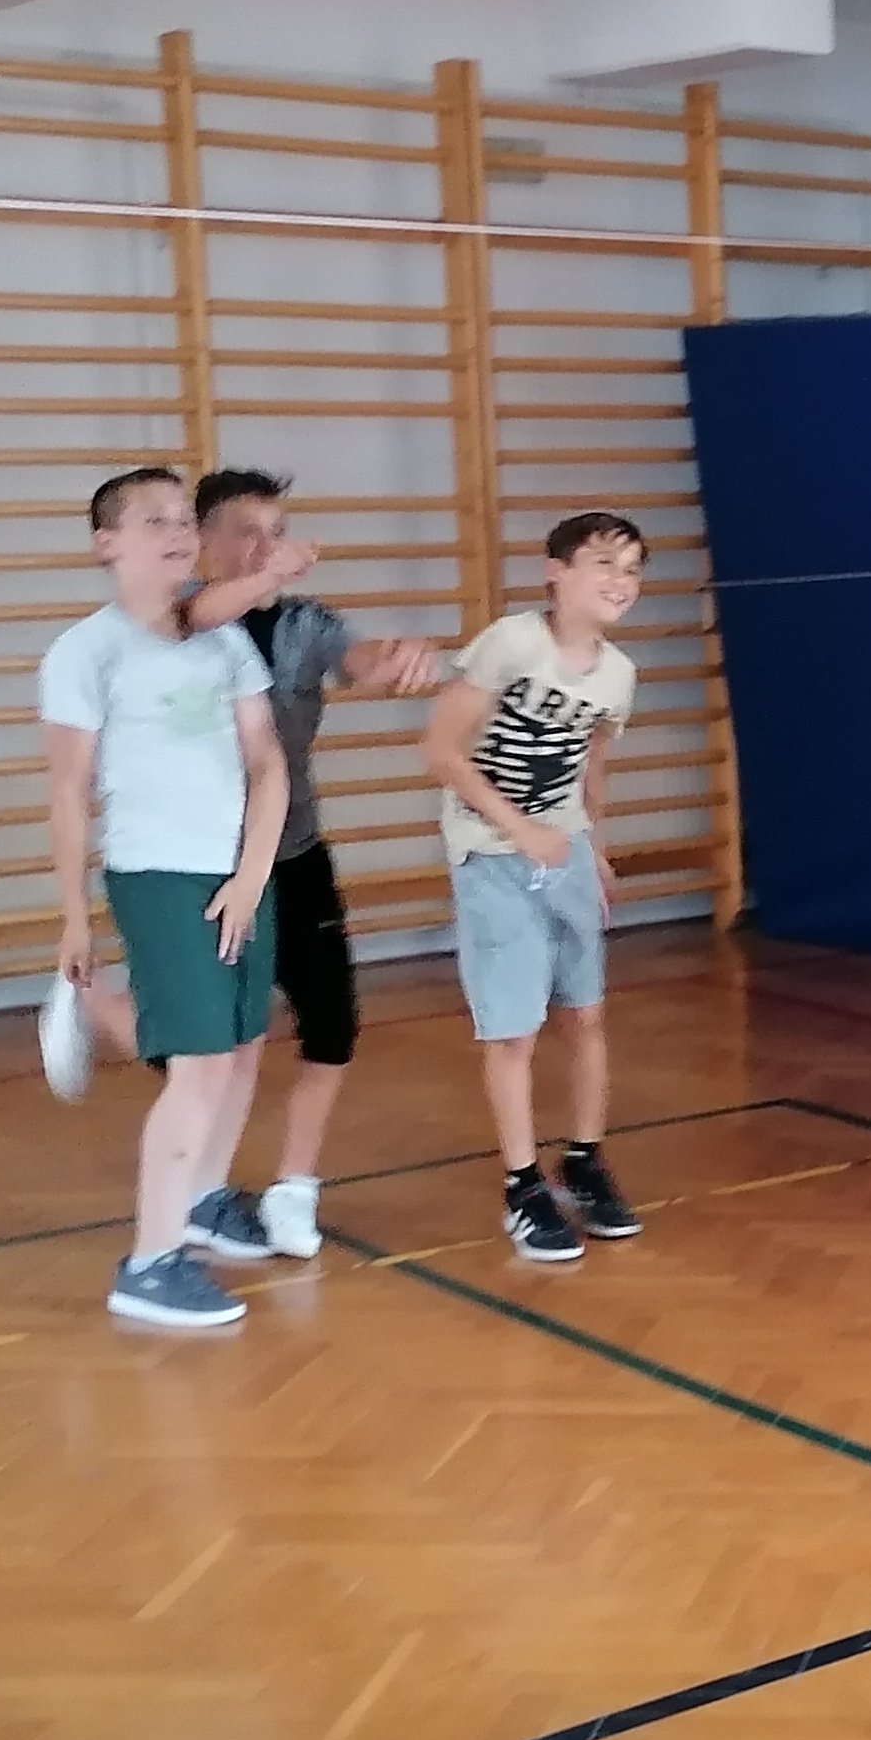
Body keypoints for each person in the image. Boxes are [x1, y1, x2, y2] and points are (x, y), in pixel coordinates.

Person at [37, 465, 290, 1332]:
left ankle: (204, 1197)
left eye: (186, 519)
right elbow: (69, 792)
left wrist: (252, 874)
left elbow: (266, 763)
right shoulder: (86, 653)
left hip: (239, 873)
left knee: (244, 1044)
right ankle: (149, 1263)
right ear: (107, 544)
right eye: (156, 521)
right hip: (159, 875)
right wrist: (75, 917)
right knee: (201, 1064)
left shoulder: (225, 643)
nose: (180, 533)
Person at [169, 469, 441, 1258]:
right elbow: (196, 617)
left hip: (293, 853)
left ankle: (293, 1189)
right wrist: (262, 577)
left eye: (277, 532)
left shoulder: (304, 624)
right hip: (201, 863)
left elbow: (359, 659)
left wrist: (401, 656)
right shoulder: (174, 618)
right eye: (247, 532)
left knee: (331, 1025)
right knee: (213, 1042)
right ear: (205, 540)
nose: (265, 547)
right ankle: (193, 1184)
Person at [424, 510, 649, 1263]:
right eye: (604, 563)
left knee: (585, 1015)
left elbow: (591, 763)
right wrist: (518, 831)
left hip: (567, 852)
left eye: (632, 569)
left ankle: (583, 1160)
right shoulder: (512, 643)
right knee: (513, 1029)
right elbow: (442, 750)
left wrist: (596, 849)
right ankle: (522, 1186)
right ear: (557, 572)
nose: (620, 581)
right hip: (492, 855)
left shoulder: (618, 675)